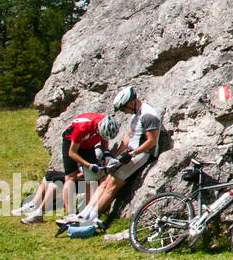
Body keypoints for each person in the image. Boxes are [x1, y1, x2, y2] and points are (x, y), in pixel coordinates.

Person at [58, 87, 161, 229]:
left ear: (131, 102)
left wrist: (132, 153)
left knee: (112, 184)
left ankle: (92, 217)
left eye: (123, 108)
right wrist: (114, 156)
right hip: (131, 153)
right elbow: (127, 138)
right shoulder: (135, 113)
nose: (123, 112)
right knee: (105, 181)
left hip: (142, 154)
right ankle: (84, 214)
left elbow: (152, 141)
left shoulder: (148, 115)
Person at [17, 113, 119, 224]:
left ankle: (85, 212)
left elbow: (104, 140)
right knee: (70, 177)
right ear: (98, 128)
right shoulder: (82, 128)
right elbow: (72, 153)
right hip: (71, 141)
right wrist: (89, 165)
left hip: (88, 144)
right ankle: (70, 215)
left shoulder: (104, 126)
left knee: (92, 179)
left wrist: (107, 154)